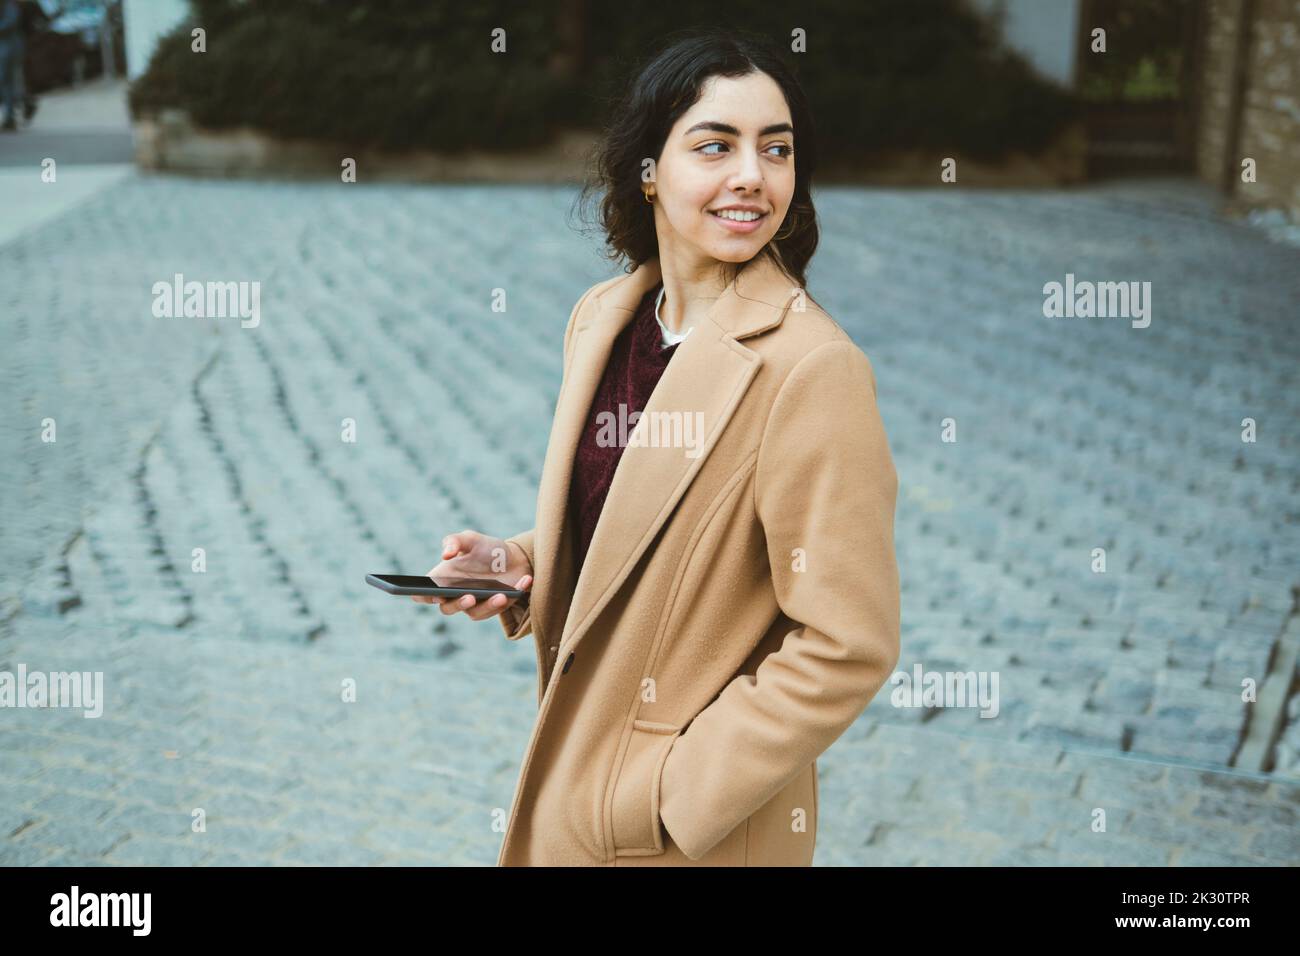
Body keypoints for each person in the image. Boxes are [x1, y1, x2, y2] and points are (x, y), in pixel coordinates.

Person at [414, 27, 900, 866]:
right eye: (715, 146)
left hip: (687, 838)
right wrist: (523, 562)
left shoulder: (813, 369)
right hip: (569, 793)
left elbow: (846, 642)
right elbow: (636, 527)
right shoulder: (603, 320)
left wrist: (664, 798)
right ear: (648, 170)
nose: (751, 174)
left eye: (775, 149)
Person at [0, 0, 21, 130]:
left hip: (8, 49)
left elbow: (10, 23)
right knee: (7, 83)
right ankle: (9, 116)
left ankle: (10, 117)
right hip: (6, 48)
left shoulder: (9, 5)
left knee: (6, 82)